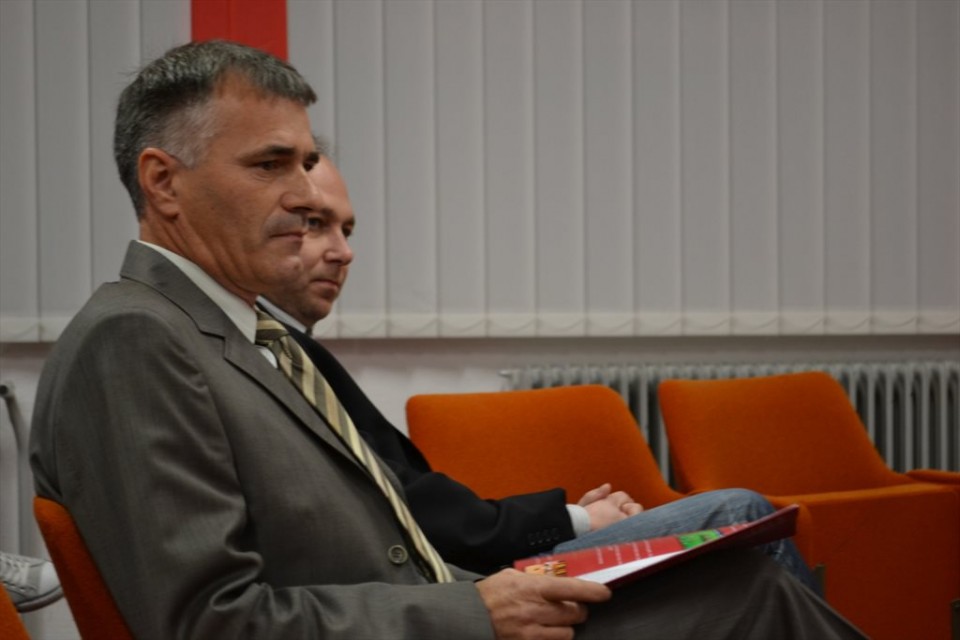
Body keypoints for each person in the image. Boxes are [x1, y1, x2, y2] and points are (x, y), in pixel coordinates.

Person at [30, 39, 865, 639]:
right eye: (270, 165)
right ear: (163, 183)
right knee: (751, 596)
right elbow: (207, 623)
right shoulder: (134, 339)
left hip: (450, 602)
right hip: (450, 620)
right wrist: (474, 610)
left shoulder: (235, 331)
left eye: (306, 162)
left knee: (736, 563)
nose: (304, 195)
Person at [258, 156, 821, 590]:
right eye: (315, 224)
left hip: (465, 567)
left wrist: (577, 518)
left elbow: (411, 503)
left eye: (348, 231)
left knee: (742, 562)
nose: (343, 253)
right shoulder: (269, 357)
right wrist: (580, 520)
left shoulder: (288, 348)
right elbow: (411, 510)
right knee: (738, 512)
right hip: (463, 590)